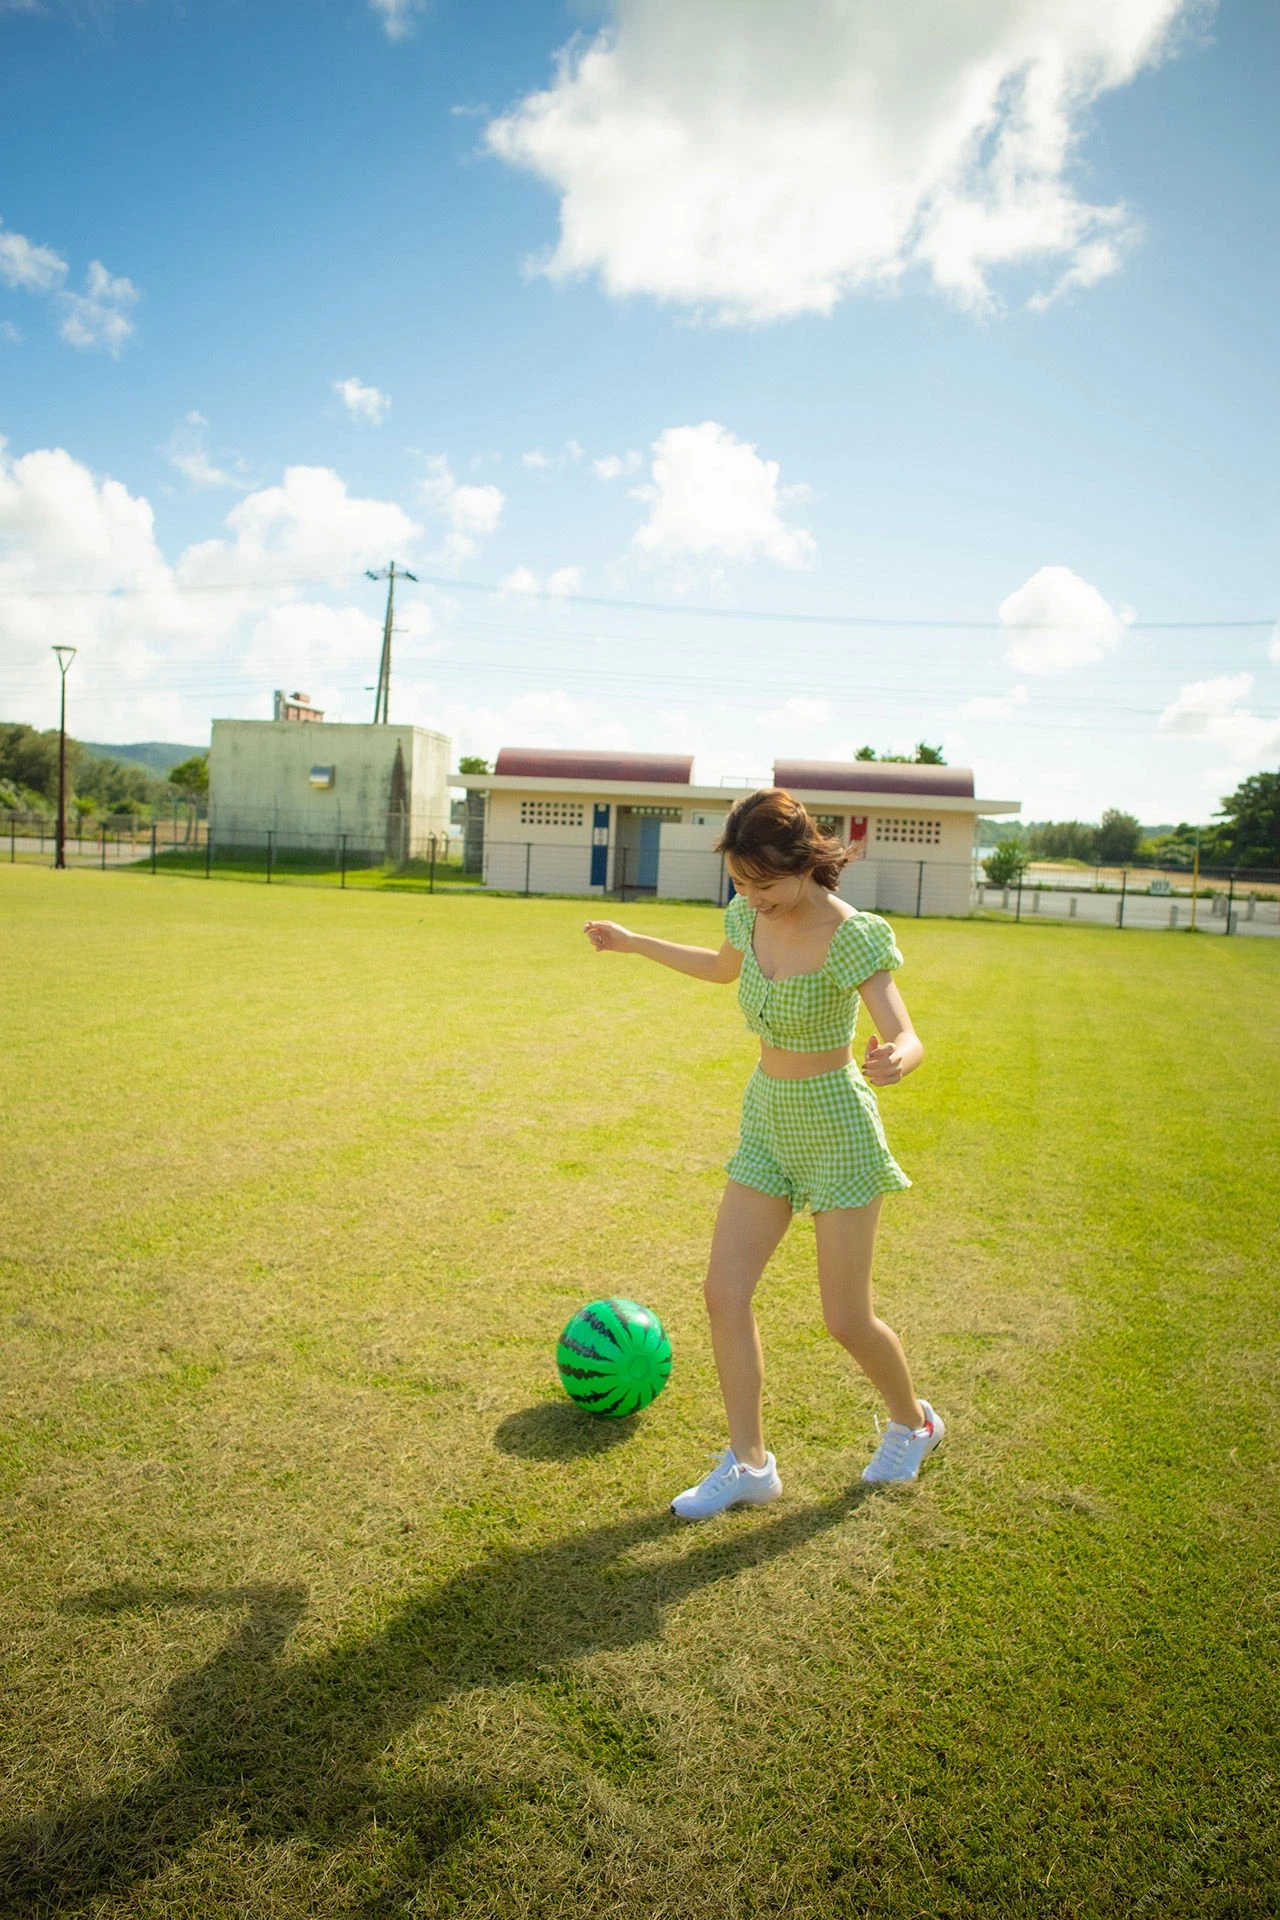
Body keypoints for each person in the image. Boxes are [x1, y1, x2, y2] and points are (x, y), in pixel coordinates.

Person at [584, 787, 944, 1518]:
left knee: (845, 1317)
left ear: (805, 861)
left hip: (837, 1125)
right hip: (768, 1119)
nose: (751, 899)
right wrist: (634, 942)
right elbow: (721, 969)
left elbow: (905, 1031)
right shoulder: (749, 914)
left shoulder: (853, 933)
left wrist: (898, 1058)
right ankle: (750, 1464)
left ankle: (915, 1421)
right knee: (724, 1293)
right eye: (740, 884)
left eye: (763, 884)